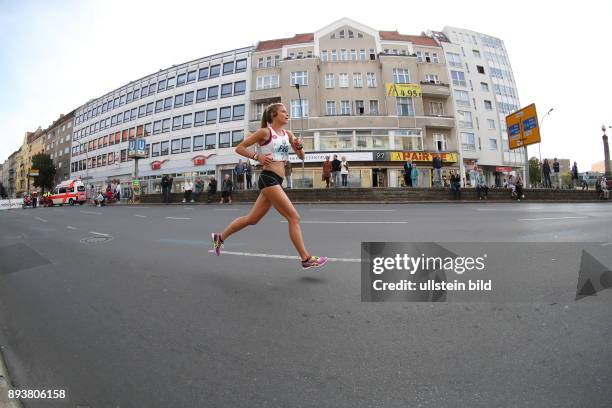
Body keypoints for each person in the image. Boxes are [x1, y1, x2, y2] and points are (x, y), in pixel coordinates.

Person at [212, 102, 328, 269]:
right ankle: (306, 258)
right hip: (268, 178)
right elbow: (240, 148)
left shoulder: (288, 134)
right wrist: (256, 156)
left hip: (277, 180)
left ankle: (219, 238)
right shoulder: (265, 132)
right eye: (284, 112)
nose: (287, 114)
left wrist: (299, 147)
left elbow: (301, 156)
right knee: (294, 217)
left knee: (252, 219)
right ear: (274, 115)